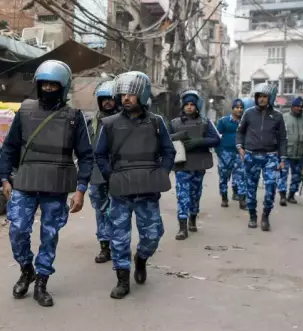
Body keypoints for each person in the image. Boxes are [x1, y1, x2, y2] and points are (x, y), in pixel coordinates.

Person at [0, 60, 93, 307]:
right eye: (45, 84)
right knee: (18, 229)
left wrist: (81, 189)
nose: (49, 88)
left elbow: (86, 156)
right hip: (26, 181)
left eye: (54, 84)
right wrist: (4, 177)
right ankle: (26, 269)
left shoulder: (74, 117)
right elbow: (9, 147)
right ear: (38, 85)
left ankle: (41, 281)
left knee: (49, 235)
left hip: (56, 184)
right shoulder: (25, 111)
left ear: (63, 87)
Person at [94, 71, 175, 299]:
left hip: (148, 189)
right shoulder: (109, 124)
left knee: (152, 235)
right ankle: (122, 279)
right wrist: (111, 175)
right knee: (119, 237)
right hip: (121, 189)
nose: (126, 98)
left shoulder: (156, 122)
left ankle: (141, 258)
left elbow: (168, 151)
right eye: (123, 94)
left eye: (131, 94)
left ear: (142, 95)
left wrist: (162, 172)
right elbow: (100, 154)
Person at [169, 89, 220, 240]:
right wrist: (176, 138)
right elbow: (165, 140)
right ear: (183, 106)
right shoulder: (174, 123)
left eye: (192, 104)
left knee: (195, 194)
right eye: (187, 104)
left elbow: (216, 139)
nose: (189, 107)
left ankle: (193, 217)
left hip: (198, 163)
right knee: (182, 195)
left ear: (197, 106)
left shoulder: (205, 122)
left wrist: (199, 141)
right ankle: (182, 227)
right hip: (182, 164)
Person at [236, 82, 288, 231]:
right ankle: (252, 216)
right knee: (250, 187)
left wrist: (282, 158)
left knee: (271, 186)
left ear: (270, 98)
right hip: (251, 155)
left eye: (265, 96)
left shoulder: (277, 116)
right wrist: (240, 147)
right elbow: (240, 132)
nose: (262, 99)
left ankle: (265, 216)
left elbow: (282, 138)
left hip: (270, 157)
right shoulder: (249, 113)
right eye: (259, 96)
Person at [88, 80, 120, 263]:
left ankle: (119, 244)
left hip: (118, 172)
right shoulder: (92, 122)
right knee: (100, 210)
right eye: (103, 99)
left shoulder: (124, 120)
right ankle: (104, 246)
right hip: (97, 173)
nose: (107, 102)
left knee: (118, 209)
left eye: (110, 98)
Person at [215, 99, 247, 209]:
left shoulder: (245, 122)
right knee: (224, 177)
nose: (239, 109)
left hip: (239, 154)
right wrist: (219, 152)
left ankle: (242, 200)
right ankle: (224, 198)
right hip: (225, 154)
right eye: (237, 107)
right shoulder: (224, 121)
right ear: (232, 109)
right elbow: (216, 137)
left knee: (241, 177)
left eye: (241, 107)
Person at [278, 96, 303, 206]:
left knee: (297, 176)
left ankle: (291, 195)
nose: (299, 108)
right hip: (286, 152)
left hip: (300, 153)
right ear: (292, 106)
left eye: (301, 107)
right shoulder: (284, 118)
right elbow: (278, 135)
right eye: (297, 106)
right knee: (283, 175)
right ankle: (282, 196)